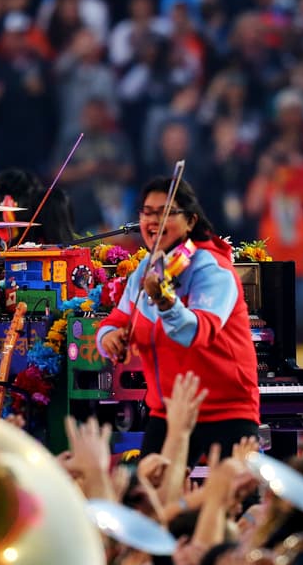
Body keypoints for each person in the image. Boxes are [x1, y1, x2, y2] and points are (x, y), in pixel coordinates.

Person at [96, 178, 260, 462]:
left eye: (166, 212)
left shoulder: (212, 269)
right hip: (168, 412)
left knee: (231, 503)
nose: (154, 220)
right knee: (150, 496)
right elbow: (117, 320)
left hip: (225, 411)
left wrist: (164, 299)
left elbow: (194, 333)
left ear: (190, 221)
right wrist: (108, 337)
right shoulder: (145, 272)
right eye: (147, 212)